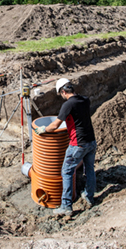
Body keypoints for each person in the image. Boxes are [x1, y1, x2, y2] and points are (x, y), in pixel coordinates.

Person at [35, 78, 97, 216]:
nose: (61, 97)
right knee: (90, 169)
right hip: (91, 141)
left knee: (67, 171)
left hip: (78, 144)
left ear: (63, 91)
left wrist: (44, 129)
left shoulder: (68, 105)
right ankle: (89, 196)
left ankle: (66, 206)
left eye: (60, 94)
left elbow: (55, 125)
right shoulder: (85, 99)